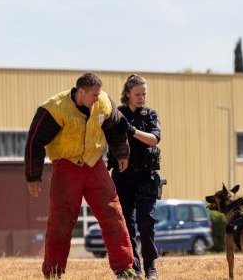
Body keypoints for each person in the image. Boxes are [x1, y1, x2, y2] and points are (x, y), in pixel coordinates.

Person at [24, 72, 139, 280]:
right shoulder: (55, 108)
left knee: (113, 214)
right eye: (94, 94)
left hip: (95, 165)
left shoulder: (102, 101)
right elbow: (35, 141)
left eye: (99, 94)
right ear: (81, 92)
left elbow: (115, 127)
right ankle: (54, 272)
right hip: (66, 168)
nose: (98, 97)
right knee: (61, 222)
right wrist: (33, 176)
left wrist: (121, 153)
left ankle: (125, 269)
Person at [108, 74, 162, 280]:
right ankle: (134, 267)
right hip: (122, 176)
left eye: (144, 94)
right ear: (127, 94)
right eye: (137, 94)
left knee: (146, 221)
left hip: (146, 176)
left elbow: (154, 140)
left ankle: (150, 266)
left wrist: (132, 130)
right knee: (126, 224)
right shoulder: (117, 114)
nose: (141, 97)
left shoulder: (150, 114)